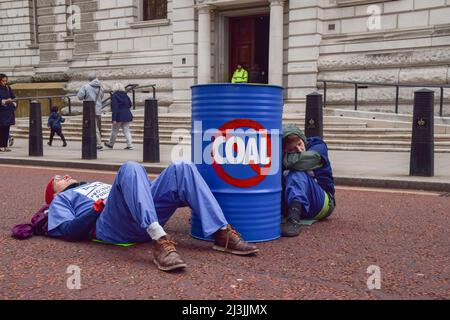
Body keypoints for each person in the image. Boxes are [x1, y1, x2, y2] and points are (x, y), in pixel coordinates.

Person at [13, 161, 259, 272]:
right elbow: (69, 231)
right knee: (130, 167)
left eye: (62, 175)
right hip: (110, 226)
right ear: (53, 193)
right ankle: (160, 241)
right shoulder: (62, 201)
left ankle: (221, 232)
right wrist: (96, 209)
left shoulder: (94, 183)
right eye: (56, 179)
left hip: (139, 212)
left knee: (181, 168)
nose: (63, 176)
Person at [281, 124, 336, 237]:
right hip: (289, 202)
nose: (299, 150)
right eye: (291, 149)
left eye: (300, 144)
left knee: (297, 172)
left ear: (303, 139)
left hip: (321, 203)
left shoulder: (318, 145)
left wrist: (280, 159)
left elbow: (306, 160)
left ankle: (293, 220)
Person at [77, 72, 104, 150]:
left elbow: (79, 97)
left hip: (89, 109)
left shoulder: (86, 87)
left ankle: (98, 144)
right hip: (98, 108)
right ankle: (94, 142)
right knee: (96, 126)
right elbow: (101, 97)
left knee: (93, 127)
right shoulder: (100, 87)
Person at [104, 83, 134, 150]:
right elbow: (130, 104)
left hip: (118, 115)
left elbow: (115, 108)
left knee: (114, 130)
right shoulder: (125, 95)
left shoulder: (114, 96)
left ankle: (110, 144)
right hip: (127, 115)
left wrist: (114, 119)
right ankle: (130, 145)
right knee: (126, 130)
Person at [0, 74, 16, 152]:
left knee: (6, 129)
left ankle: (5, 146)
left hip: (8, 111)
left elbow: (13, 97)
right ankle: (1, 146)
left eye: (6, 81)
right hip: (1, 112)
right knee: (1, 129)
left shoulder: (8, 87)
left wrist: (12, 101)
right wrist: (4, 101)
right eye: (3, 81)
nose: (5, 82)